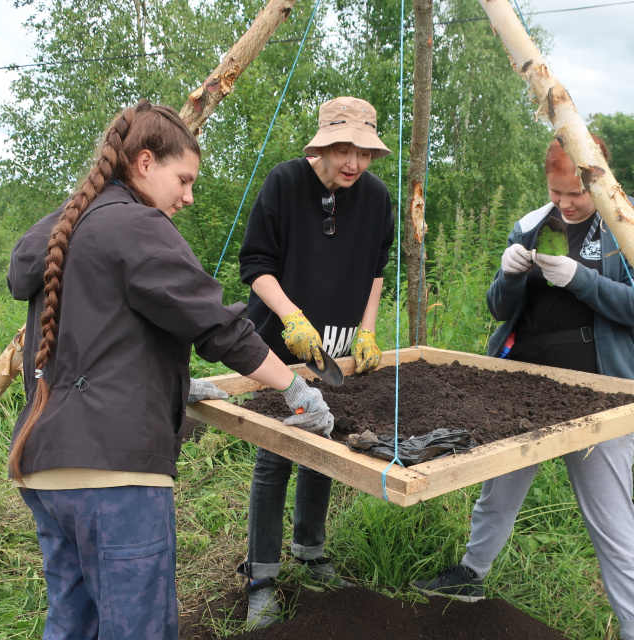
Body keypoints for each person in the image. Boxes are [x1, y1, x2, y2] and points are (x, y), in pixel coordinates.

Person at [6, 100, 333, 640]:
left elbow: (101, 341)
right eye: (182, 179)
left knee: (74, 621)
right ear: (144, 163)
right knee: (140, 628)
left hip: (45, 466)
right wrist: (296, 387)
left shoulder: (69, 228)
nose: (188, 195)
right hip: (114, 474)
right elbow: (219, 327)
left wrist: (175, 387)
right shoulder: (136, 226)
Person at [411, 135, 634, 640]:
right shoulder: (531, 223)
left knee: (610, 514)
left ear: (600, 179)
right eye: (557, 194)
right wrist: (507, 276)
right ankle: (470, 577)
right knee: (497, 490)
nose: (566, 205)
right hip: (521, 380)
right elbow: (501, 309)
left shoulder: (631, 221)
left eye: (576, 195)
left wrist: (581, 279)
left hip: (601, 390)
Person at [235, 96, 394, 628]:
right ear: (322, 145)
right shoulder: (284, 183)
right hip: (283, 339)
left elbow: (375, 271)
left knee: (323, 440)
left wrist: (367, 331)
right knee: (278, 452)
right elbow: (255, 264)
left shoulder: (375, 197)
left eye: (364, 153)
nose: (354, 163)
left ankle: (310, 549)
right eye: (343, 150)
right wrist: (290, 317)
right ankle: (261, 577)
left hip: (338, 343)